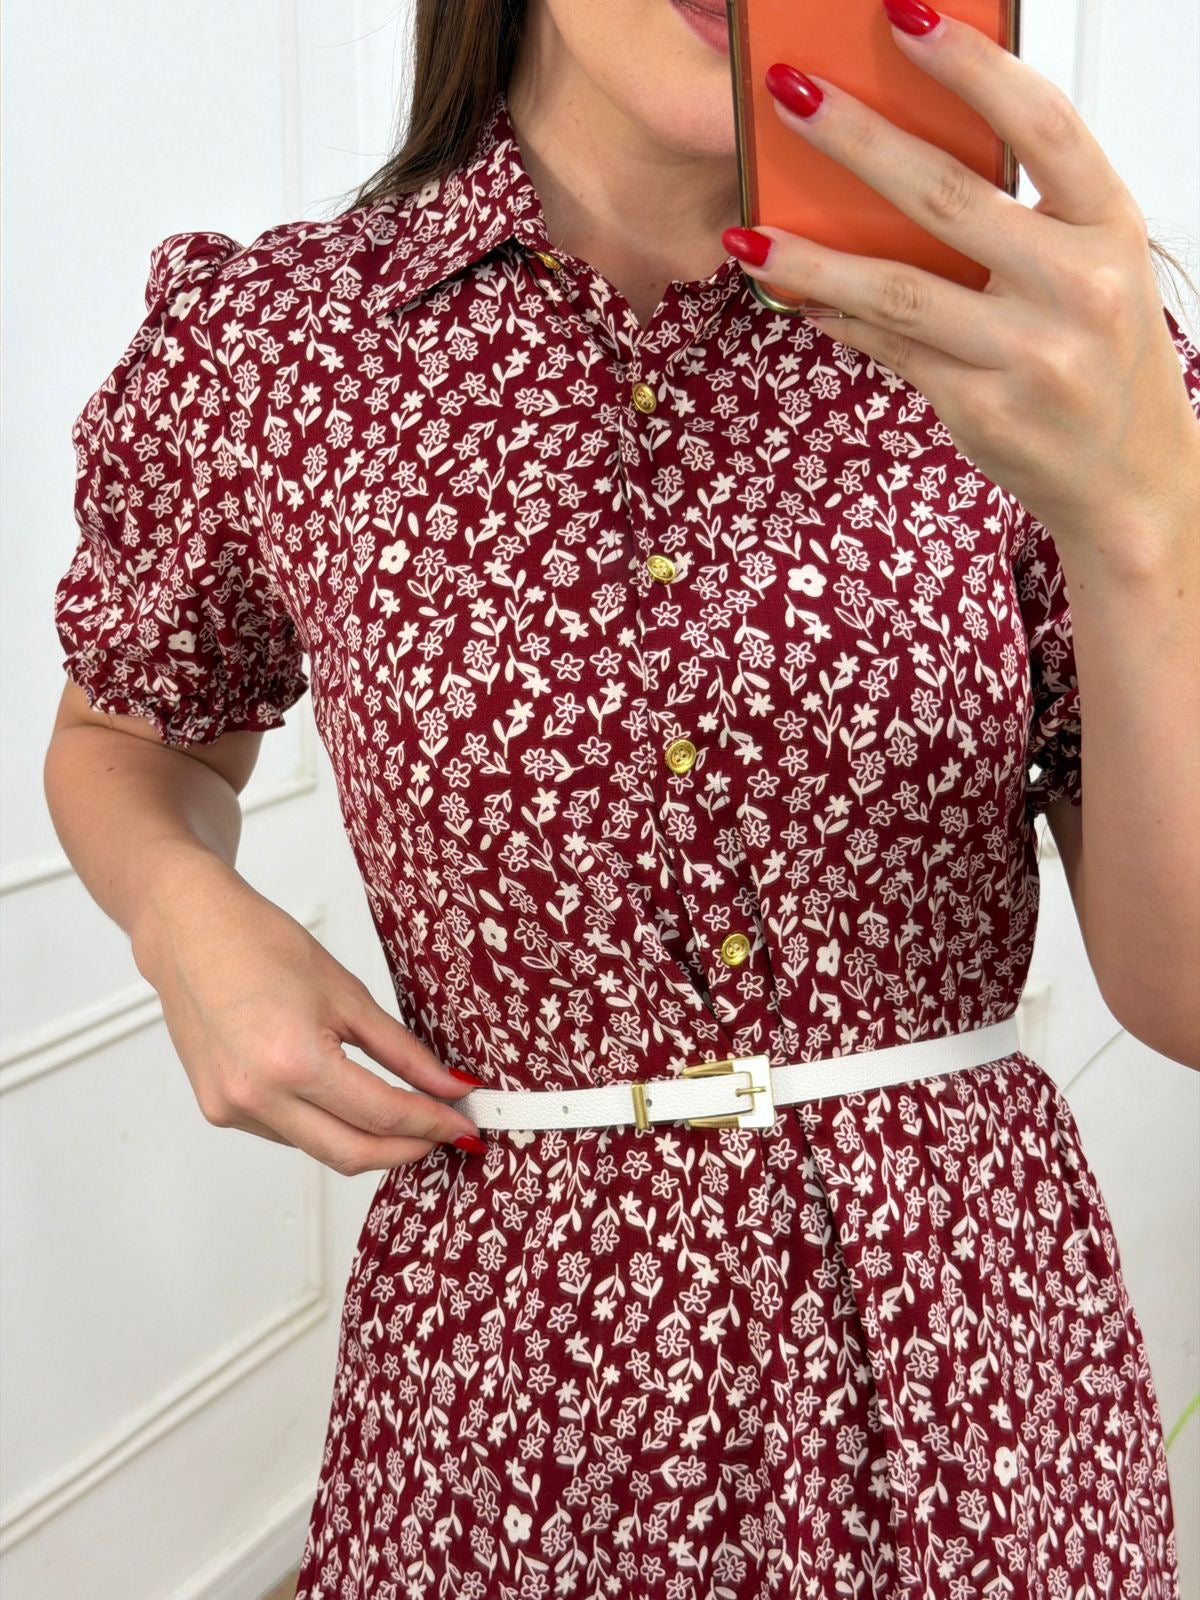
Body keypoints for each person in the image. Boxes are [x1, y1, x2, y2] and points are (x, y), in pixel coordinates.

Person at [44, 0, 1199, 1595]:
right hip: (505, 1396)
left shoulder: (1039, 348)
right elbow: (130, 734)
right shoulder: (279, 355)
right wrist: (181, 913)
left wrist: (1146, 512)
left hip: (970, 1389)